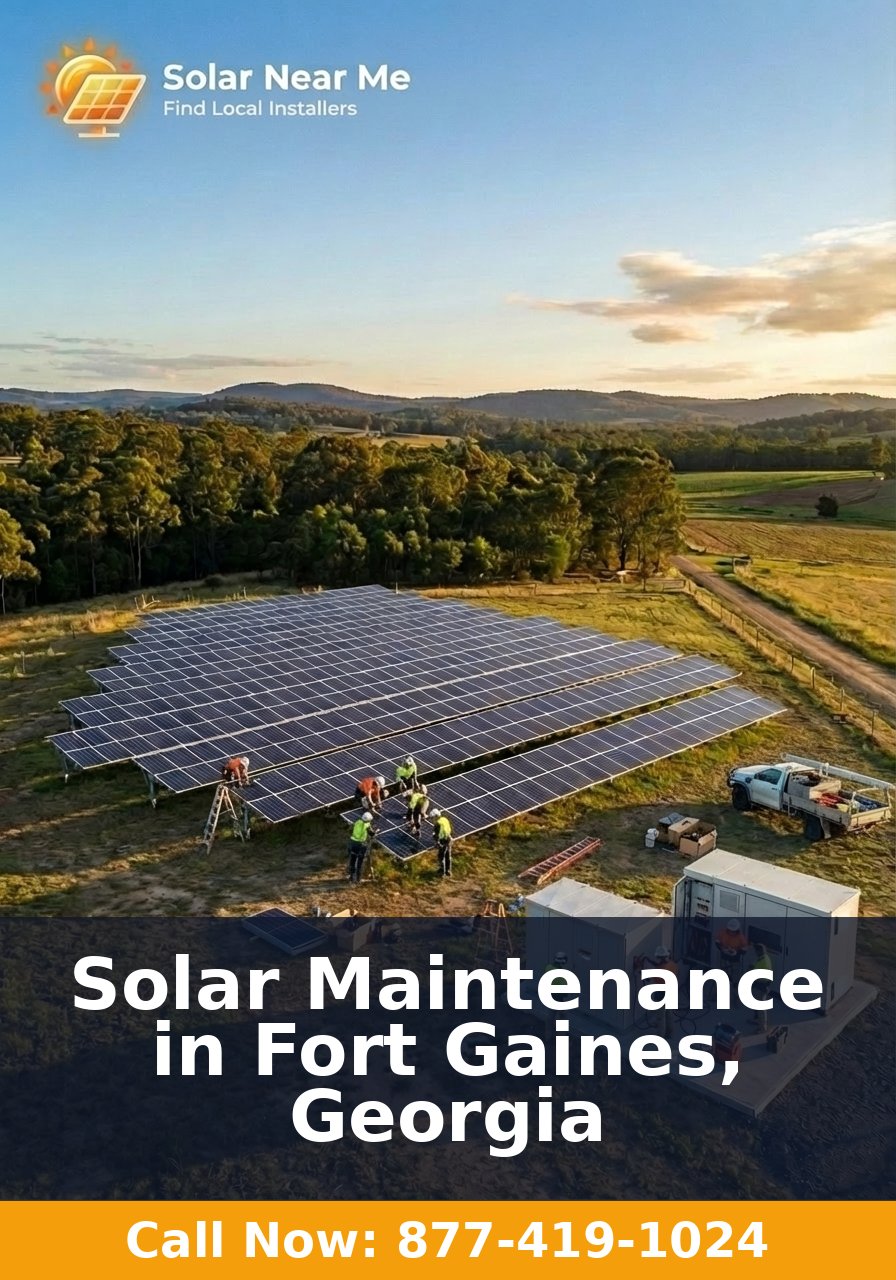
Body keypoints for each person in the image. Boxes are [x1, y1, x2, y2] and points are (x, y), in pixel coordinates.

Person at [650, 945, 679, 1038]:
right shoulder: (672, 964)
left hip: (661, 994)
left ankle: (660, 1036)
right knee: (669, 1014)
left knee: (661, 1017)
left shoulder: (659, 970)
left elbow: (649, 979)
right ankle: (670, 1032)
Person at [751, 943, 774, 1033]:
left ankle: (762, 1028)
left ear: (759, 951)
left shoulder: (763, 961)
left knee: (761, 1008)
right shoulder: (765, 958)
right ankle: (758, 1020)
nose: (755, 953)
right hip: (760, 985)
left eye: (756, 951)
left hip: (761, 986)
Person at [347, 812, 374, 884]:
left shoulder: (357, 822)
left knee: (352, 860)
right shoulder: (367, 825)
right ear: (368, 820)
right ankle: (358, 879)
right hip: (360, 845)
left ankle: (351, 877)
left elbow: (351, 830)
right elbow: (372, 833)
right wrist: (375, 832)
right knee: (360, 862)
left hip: (352, 843)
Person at [430, 809, 453, 877]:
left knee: (441, 856)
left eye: (432, 818)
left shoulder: (437, 824)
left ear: (436, 816)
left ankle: (442, 872)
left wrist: (437, 843)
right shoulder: (444, 819)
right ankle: (448, 871)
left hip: (443, 841)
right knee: (448, 856)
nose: (432, 820)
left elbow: (437, 835)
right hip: (449, 839)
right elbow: (449, 828)